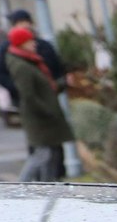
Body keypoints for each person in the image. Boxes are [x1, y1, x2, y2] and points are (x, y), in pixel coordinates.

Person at [8, 25, 73, 182]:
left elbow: (45, 88)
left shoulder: (30, 61)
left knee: (51, 154)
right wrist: (46, 111)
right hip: (39, 118)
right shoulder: (21, 66)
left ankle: (48, 188)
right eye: (30, 41)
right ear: (21, 43)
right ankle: (20, 188)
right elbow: (28, 95)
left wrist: (62, 84)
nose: (34, 44)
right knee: (42, 154)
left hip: (43, 116)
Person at [0, 9, 65, 102]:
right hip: (22, 100)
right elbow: (0, 74)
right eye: (19, 23)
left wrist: (54, 86)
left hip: (47, 96)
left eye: (25, 22)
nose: (23, 26)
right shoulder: (6, 48)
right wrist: (19, 90)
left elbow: (57, 68)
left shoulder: (44, 46)